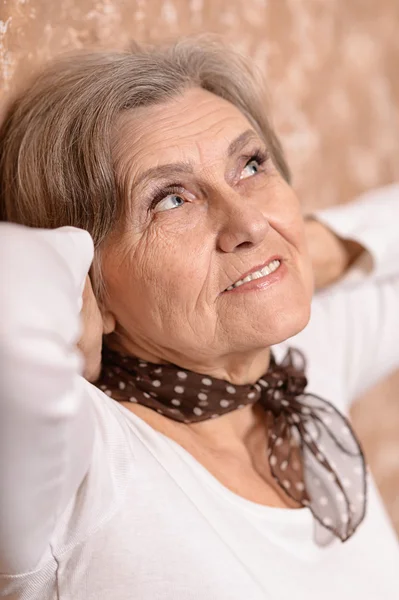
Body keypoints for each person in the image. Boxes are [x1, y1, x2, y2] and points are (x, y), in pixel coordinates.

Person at [0, 39, 398, 600]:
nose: (249, 224)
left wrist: (331, 247)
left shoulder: (302, 353)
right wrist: (67, 282)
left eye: (251, 165)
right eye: (171, 200)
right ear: (96, 278)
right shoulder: (82, 465)